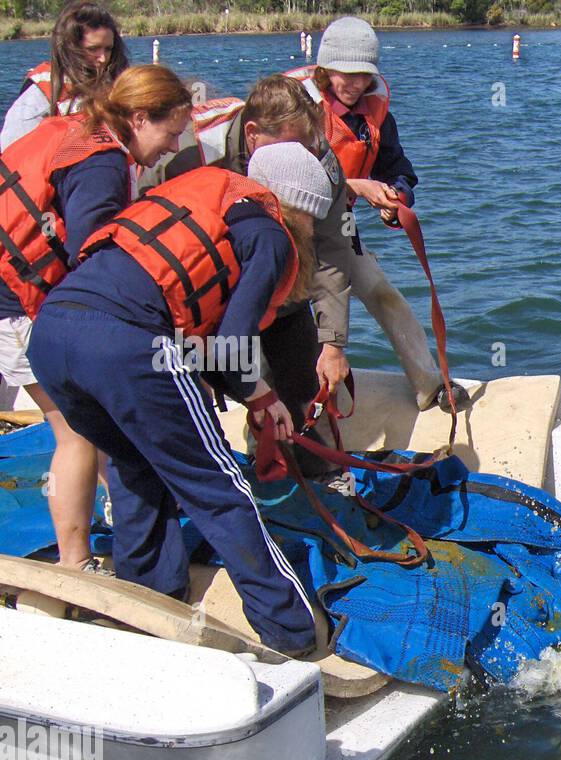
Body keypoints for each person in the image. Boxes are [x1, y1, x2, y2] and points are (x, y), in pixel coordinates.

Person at [26, 143, 331, 655]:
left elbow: (198, 331)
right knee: (217, 486)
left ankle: (148, 609)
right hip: (126, 346)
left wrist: (253, 394)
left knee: (133, 465)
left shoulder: (201, 198)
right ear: (299, 210)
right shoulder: (272, 236)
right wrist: (262, 399)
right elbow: (234, 341)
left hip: (52, 336)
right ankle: (295, 634)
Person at [0, 64, 192, 570]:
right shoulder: (101, 165)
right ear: (140, 117)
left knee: (88, 420)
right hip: (13, 304)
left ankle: (109, 511)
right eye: (171, 133)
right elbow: (95, 258)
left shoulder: (78, 129)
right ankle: (74, 562)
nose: (173, 148)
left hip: (9, 289)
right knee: (75, 432)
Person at [153, 74, 355, 490]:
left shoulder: (318, 163)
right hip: (200, 286)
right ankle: (209, 473)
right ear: (251, 134)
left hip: (281, 277)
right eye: (286, 147)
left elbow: (332, 250)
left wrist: (333, 342)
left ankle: (309, 467)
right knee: (197, 379)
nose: (300, 157)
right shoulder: (187, 153)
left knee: (299, 372)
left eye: (306, 147)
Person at [286, 16, 442, 410]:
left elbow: (401, 171)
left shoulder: (376, 116)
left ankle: (430, 388)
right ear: (325, 68)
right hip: (289, 230)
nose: (355, 83)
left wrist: (395, 198)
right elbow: (285, 176)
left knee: (384, 295)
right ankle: (291, 403)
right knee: (293, 321)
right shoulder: (296, 110)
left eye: (364, 74)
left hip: (339, 228)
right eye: (346, 73)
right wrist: (357, 187)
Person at [1, 1, 129, 151]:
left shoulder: (116, 85)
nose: (102, 58)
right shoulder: (40, 96)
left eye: (108, 49)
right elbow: (11, 156)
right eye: (93, 49)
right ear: (70, 47)